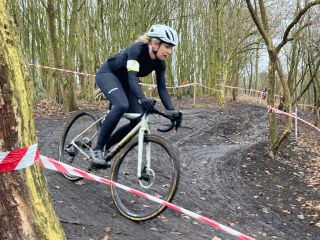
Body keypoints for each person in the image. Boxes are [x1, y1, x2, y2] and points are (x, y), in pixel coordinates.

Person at [91, 24, 182, 167]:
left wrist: (172, 110)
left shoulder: (160, 63)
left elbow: (162, 89)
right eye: (167, 47)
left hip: (125, 81)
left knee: (138, 120)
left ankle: (106, 146)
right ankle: (97, 149)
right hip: (108, 74)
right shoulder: (137, 50)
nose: (169, 51)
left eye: (171, 48)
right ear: (154, 44)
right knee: (121, 105)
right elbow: (132, 78)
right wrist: (142, 98)